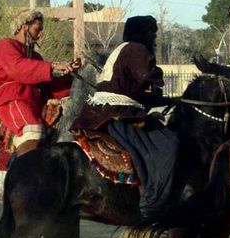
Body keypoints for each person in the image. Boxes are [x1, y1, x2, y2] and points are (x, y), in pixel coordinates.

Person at [72, 15, 180, 217]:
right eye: (152, 35)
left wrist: (164, 99)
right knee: (168, 145)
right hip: (119, 112)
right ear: (144, 34)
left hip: (101, 111)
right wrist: (158, 82)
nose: (154, 40)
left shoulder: (122, 49)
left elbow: (138, 90)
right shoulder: (137, 49)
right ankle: (153, 201)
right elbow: (147, 77)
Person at [0, 9, 80, 155]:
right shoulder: (5, 45)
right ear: (24, 26)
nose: (40, 34)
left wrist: (69, 73)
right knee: (33, 133)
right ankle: (23, 176)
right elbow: (17, 68)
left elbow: (49, 86)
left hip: (34, 100)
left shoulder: (36, 56)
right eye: (38, 29)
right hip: (12, 97)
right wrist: (53, 66)